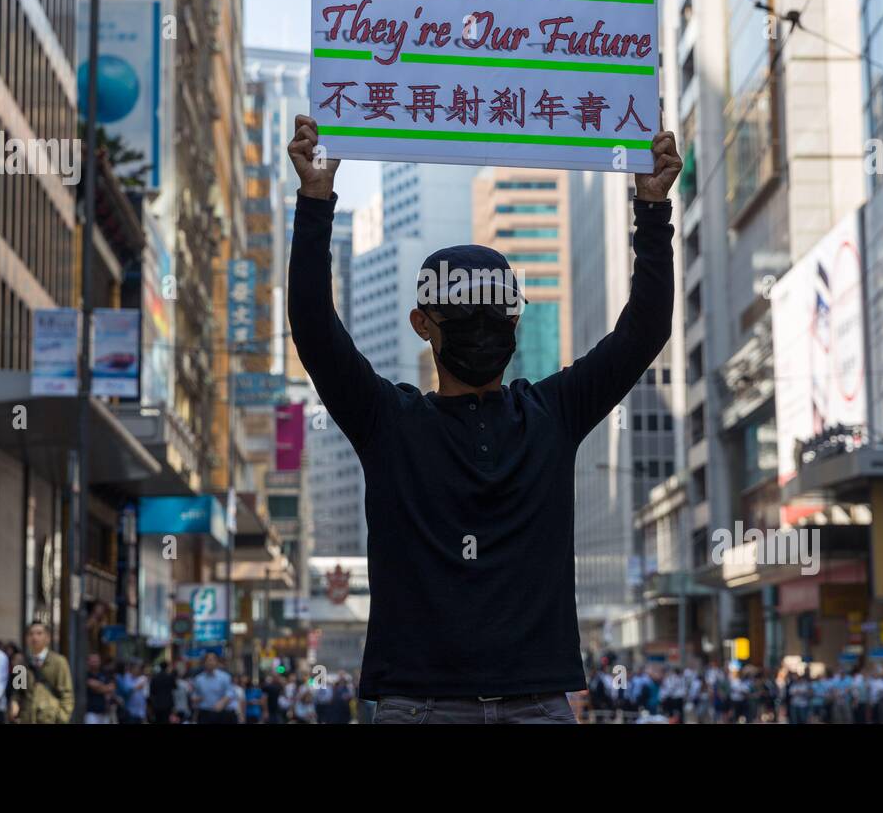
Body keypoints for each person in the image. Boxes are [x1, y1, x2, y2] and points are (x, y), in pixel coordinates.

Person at [286, 115, 680, 724]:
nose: (481, 334)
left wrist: (655, 211)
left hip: (475, 704)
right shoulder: (540, 412)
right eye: (465, 320)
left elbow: (647, 328)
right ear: (422, 324)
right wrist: (314, 200)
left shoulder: (395, 420)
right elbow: (314, 327)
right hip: (468, 705)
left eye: (491, 320)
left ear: (514, 325)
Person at [12, 621, 73, 724]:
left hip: (50, 719)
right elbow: (18, 690)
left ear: (47, 638)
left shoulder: (59, 662)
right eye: (31, 634)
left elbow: (67, 694)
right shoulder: (22, 662)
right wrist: (14, 703)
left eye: (39, 633)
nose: (34, 637)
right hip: (27, 718)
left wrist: (62, 718)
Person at [192, 652, 236, 724]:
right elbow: (195, 693)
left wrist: (223, 702)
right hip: (204, 713)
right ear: (204, 663)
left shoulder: (224, 677)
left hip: (221, 713)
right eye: (208, 660)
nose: (210, 663)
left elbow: (230, 692)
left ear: (217, 662)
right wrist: (195, 698)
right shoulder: (199, 679)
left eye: (212, 660)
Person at [84, 653, 116, 723]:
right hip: (91, 712)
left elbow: (112, 687)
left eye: (96, 661)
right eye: (92, 661)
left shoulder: (105, 673)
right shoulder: (86, 674)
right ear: (88, 662)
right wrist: (105, 688)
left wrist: (99, 687)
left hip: (104, 712)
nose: (94, 663)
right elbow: (91, 684)